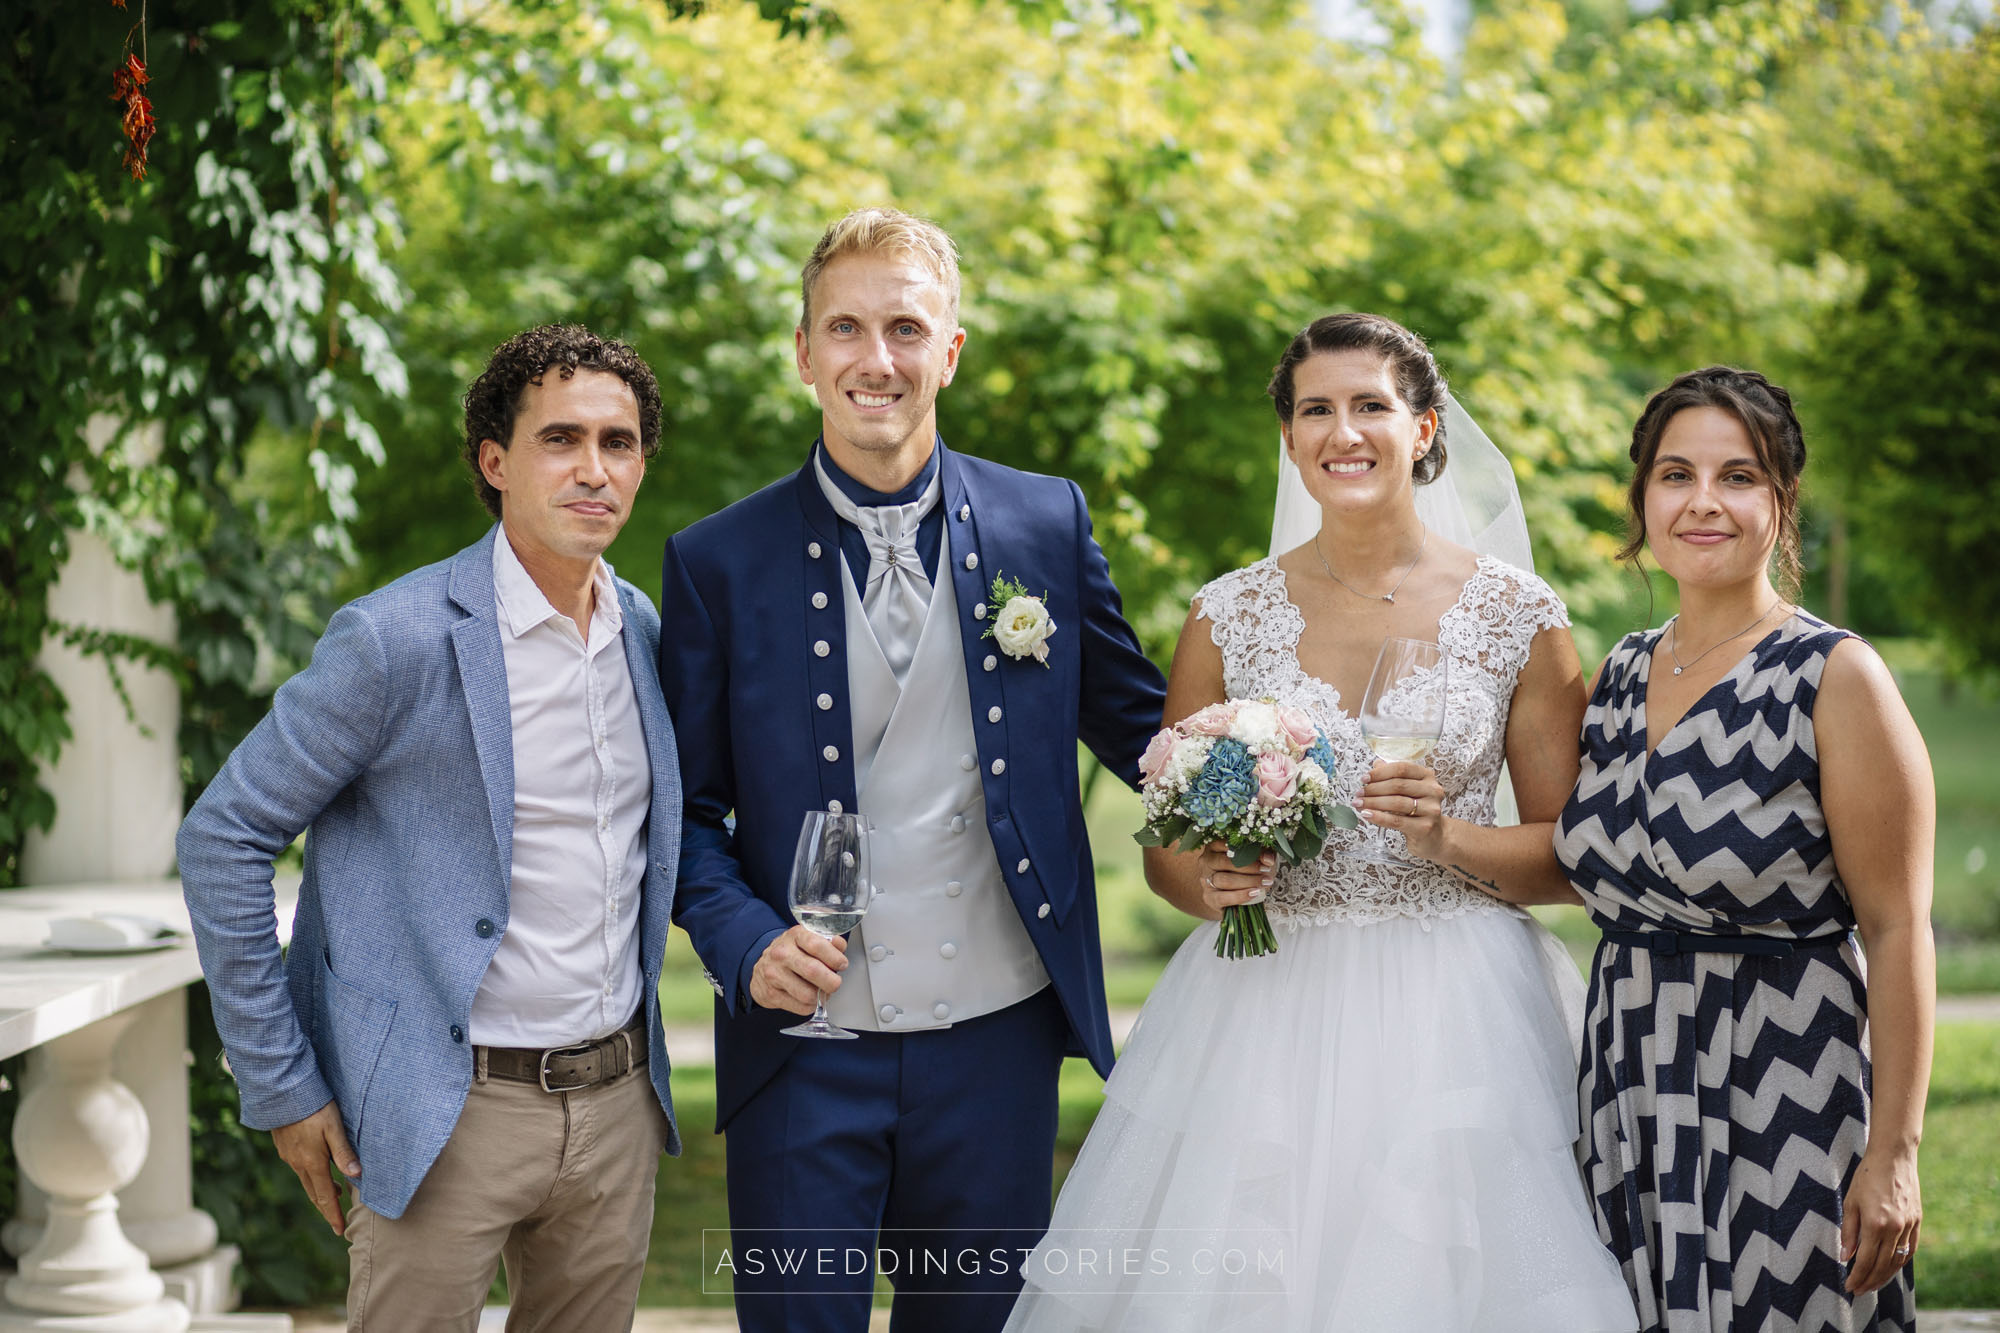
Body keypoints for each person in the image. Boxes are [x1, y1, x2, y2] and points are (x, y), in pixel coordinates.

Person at [1005, 312, 1638, 1332]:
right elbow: (1167, 845)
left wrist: (1447, 841)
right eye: (1315, 411)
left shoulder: (1518, 613)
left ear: (1423, 429)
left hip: (1457, 1007)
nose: (1342, 432)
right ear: (1290, 440)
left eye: (1369, 407)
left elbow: (1568, 859)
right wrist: (1202, 881)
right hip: (1260, 1004)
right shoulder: (1227, 613)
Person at [657, 207, 1166, 1333]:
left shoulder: (1045, 520)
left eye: (904, 327)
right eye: (843, 328)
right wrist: (743, 944)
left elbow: (1143, 729)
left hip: (997, 1034)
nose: (873, 359)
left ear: (951, 349)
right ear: (803, 352)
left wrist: (1263, 789)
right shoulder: (714, 561)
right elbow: (681, 815)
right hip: (802, 1045)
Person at [177, 324, 684, 1332]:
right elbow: (224, 835)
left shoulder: (648, 633)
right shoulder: (394, 639)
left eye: (618, 443)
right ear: (496, 463)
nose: (595, 469)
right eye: (561, 439)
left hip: (617, 1101)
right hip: (439, 1110)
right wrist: (281, 1084)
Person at [1555, 366, 1932, 1331]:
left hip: (1785, 1076)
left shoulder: (1835, 674)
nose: (1704, 502)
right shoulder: (1617, 674)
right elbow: (1581, 863)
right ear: (1643, 498)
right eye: (1676, 475)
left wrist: (1893, 1153)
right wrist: (1429, 836)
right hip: (1629, 1081)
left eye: (1740, 476)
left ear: (1782, 500)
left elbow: (1897, 928)